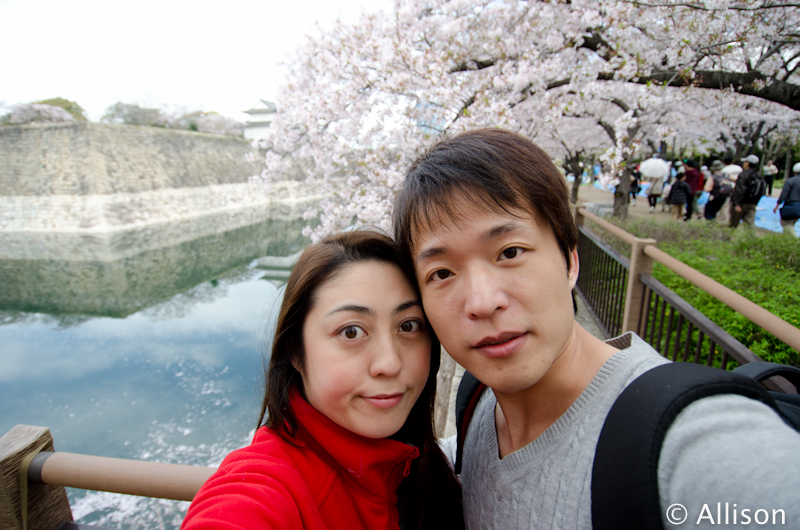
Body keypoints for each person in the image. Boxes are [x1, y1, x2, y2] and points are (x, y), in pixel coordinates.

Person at [392, 128, 800, 529]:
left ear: (570, 262)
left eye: (510, 252)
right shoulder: (480, 403)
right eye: (442, 273)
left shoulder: (691, 444)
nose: (483, 302)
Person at [181, 230, 464, 530]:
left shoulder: (415, 464)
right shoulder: (271, 486)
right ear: (295, 351)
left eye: (407, 326)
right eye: (351, 332)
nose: (390, 363)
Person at [729, 154, 763, 229]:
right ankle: (750, 236)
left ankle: (728, 236)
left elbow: (740, 190)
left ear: (748, 163)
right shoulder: (758, 176)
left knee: (733, 224)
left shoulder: (743, 175)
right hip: (753, 203)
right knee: (749, 225)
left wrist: (736, 203)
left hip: (742, 203)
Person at [773, 162, 800, 237]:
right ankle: (785, 240)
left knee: (786, 224)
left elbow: (783, 195)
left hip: (791, 206)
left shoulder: (790, 181)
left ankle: (795, 241)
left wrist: (777, 205)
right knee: (791, 224)